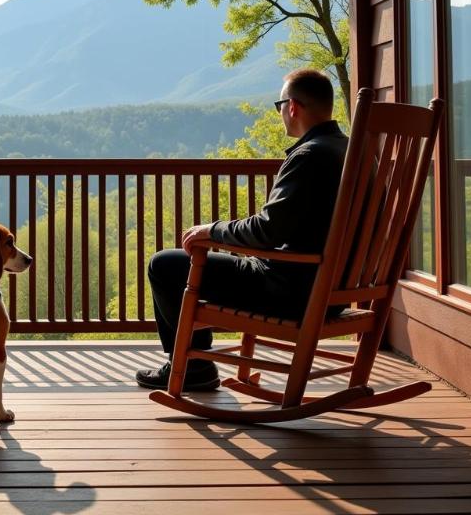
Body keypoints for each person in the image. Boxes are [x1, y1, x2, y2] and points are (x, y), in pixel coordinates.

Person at [135, 68, 348, 391]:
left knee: (164, 265)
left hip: (290, 290)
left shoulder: (311, 155)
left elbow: (267, 230)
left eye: (279, 106)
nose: (280, 114)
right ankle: (195, 365)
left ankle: (193, 367)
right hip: (333, 291)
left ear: (292, 107)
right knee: (178, 263)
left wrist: (212, 230)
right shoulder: (347, 150)